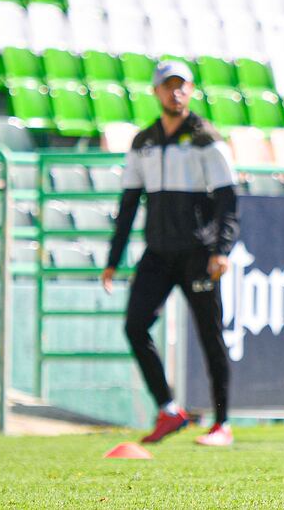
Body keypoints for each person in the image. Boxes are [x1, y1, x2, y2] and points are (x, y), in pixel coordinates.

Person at [102, 60, 239, 447]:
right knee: (134, 326)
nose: (175, 92)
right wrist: (113, 259)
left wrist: (221, 250)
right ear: (156, 91)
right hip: (158, 253)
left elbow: (228, 199)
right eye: (168, 86)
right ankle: (168, 409)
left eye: (182, 85)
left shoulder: (205, 138)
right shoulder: (143, 142)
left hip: (198, 253)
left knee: (210, 336)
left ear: (191, 90)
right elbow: (129, 201)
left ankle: (222, 424)